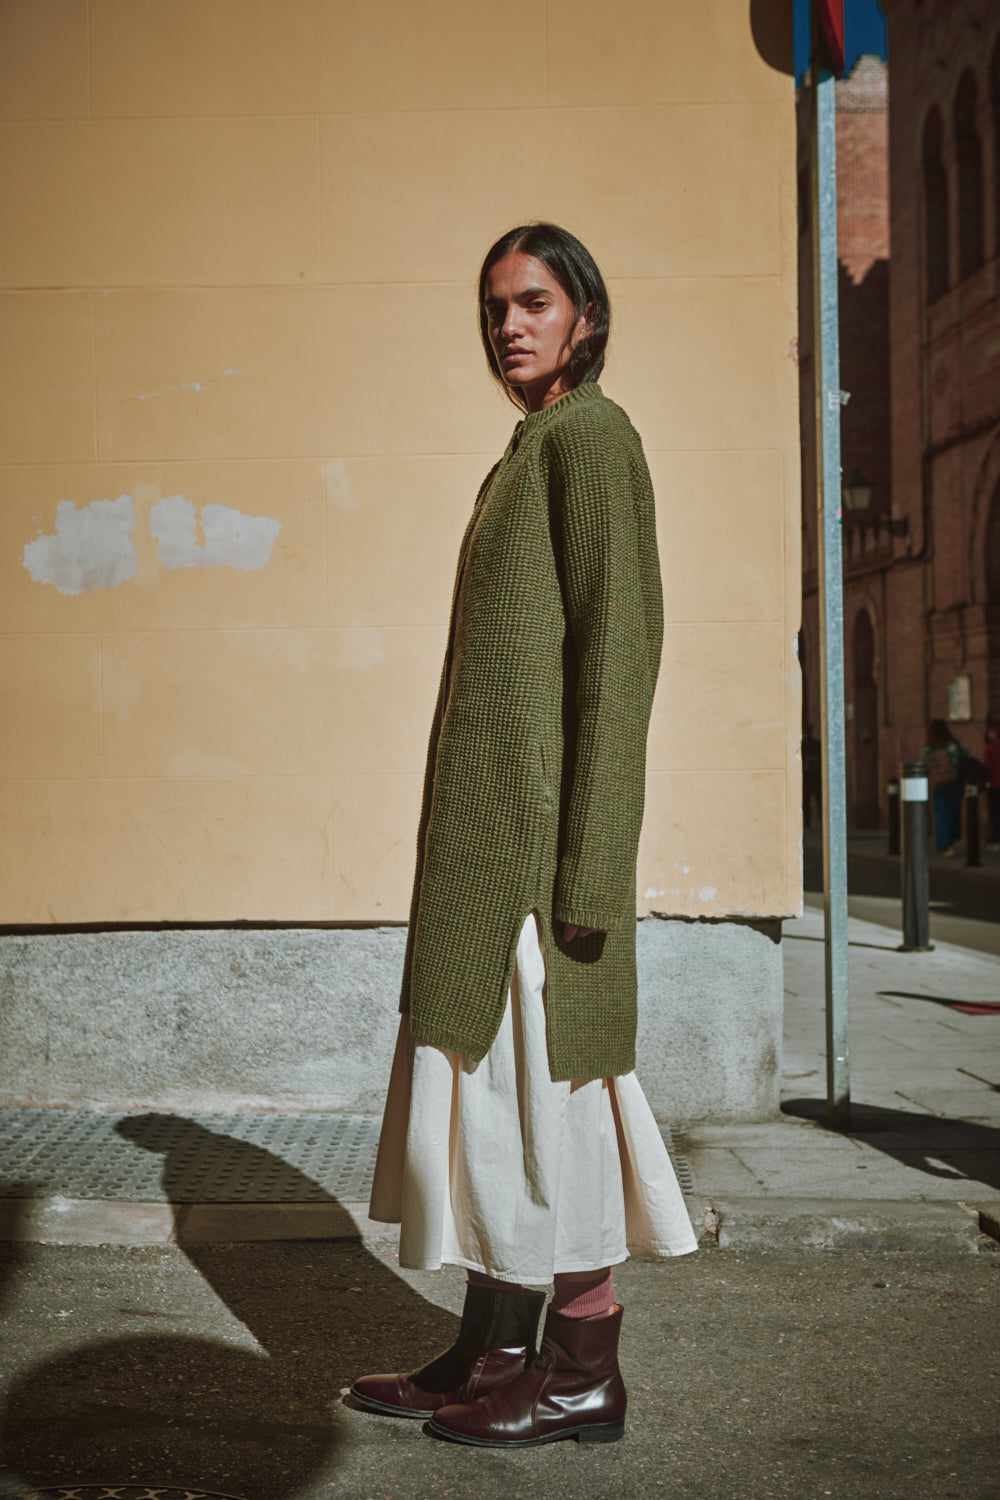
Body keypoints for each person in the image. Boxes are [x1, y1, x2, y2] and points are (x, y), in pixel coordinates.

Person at [350, 223, 697, 1448]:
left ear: (585, 317)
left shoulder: (591, 440)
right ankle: (493, 1347)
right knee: (489, 1105)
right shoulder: (530, 445)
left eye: (535, 302)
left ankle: (581, 1369)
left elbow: (620, 658)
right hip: (489, 847)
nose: (509, 324)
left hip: (542, 863)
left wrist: (592, 869)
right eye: (494, 305)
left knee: (549, 1113)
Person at [922, 718, 968, 856]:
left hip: (937, 784)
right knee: (954, 812)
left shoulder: (929, 747)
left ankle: (944, 844)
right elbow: (965, 757)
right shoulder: (952, 745)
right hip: (953, 782)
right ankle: (952, 840)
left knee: (941, 814)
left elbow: (924, 764)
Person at [801, 724, 822, 829]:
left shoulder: (803, 745)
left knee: (807, 799)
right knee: (818, 799)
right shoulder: (817, 744)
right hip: (815, 775)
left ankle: (807, 822)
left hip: (808, 776)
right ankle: (821, 820)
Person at [985, 714, 1000, 854]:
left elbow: (988, 768)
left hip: (995, 785)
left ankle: (996, 840)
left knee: (995, 814)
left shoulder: (990, 748)